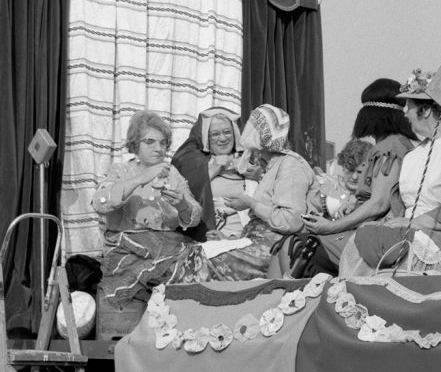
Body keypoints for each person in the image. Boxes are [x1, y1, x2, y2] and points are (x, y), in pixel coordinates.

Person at [337, 68, 441, 277]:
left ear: (425, 110)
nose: (404, 112)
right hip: (412, 233)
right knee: (361, 240)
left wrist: (413, 223)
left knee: (375, 246)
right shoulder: (416, 153)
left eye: (409, 106)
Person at [296, 78, 417, 275]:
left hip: (378, 235)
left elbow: (378, 203)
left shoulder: (390, 148)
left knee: (300, 248)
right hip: (370, 229)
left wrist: (331, 227)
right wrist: (352, 207)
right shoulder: (393, 144)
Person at [92, 110, 212, 307]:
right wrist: (141, 178)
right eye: (150, 142)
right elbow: (99, 202)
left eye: (163, 143)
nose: (159, 148)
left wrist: (182, 204)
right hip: (128, 251)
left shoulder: (172, 174)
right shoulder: (121, 170)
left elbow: (195, 214)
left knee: (202, 262)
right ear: (135, 144)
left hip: (169, 248)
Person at [218, 104, 318, 279]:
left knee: (213, 262)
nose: (247, 129)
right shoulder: (270, 165)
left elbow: (290, 221)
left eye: (253, 125)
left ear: (264, 132)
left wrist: (249, 203)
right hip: (258, 239)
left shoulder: (290, 165)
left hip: (279, 246)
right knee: (203, 251)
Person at [171, 107, 252, 241]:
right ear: (206, 138)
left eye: (227, 132)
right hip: (212, 234)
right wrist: (212, 171)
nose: (223, 138)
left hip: (247, 231)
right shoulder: (195, 164)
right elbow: (185, 198)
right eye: (215, 134)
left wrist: (254, 174)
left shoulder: (250, 159)